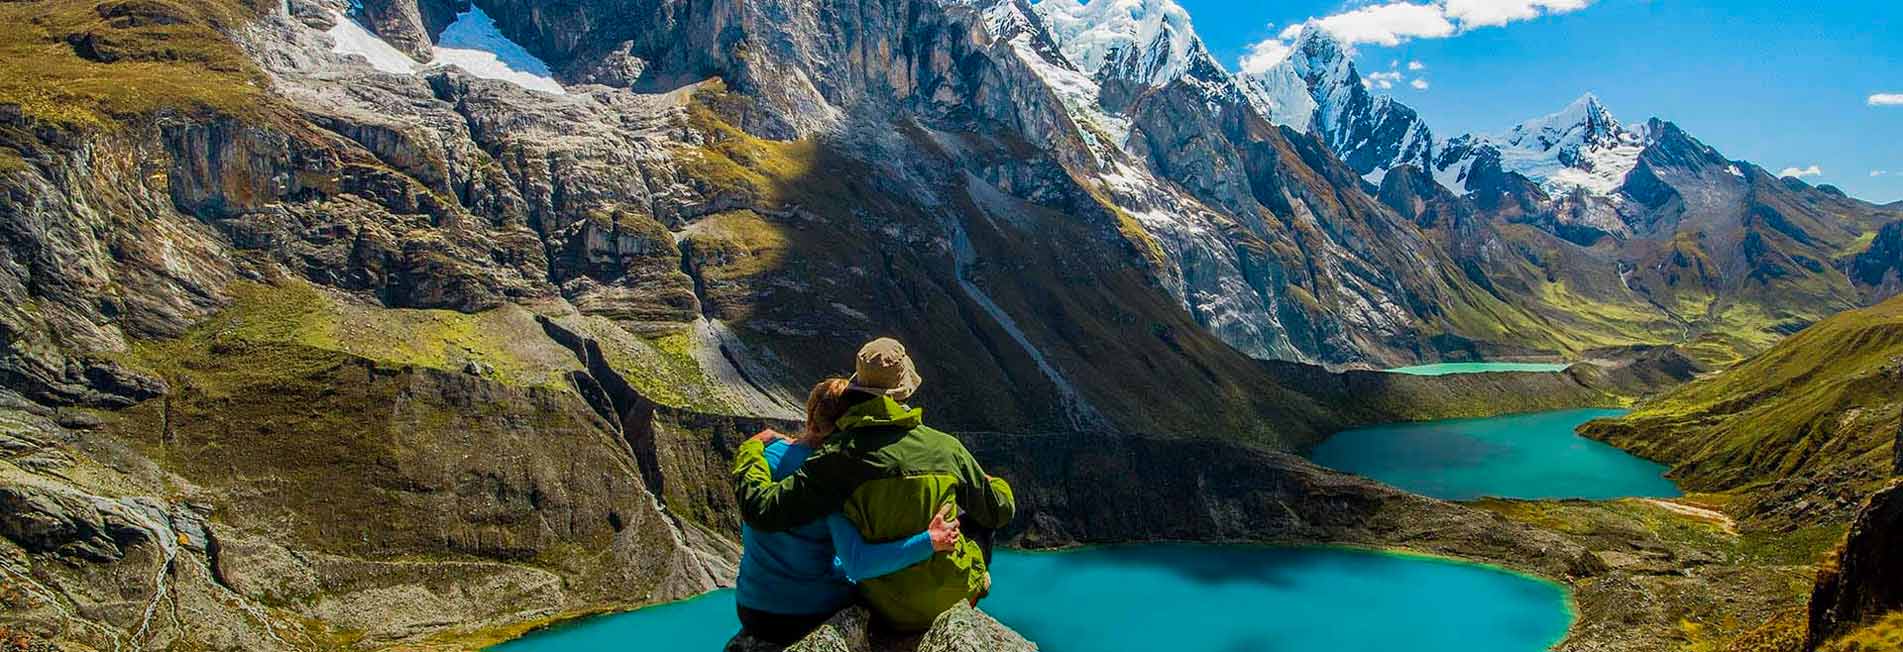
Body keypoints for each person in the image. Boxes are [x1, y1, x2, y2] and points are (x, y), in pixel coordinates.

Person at [733, 338, 1016, 633]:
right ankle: (974, 584)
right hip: (939, 592)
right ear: (905, 387)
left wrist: (751, 449)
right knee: (980, 520)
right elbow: (999, 510)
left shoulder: (836, 458)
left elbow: (763, 509)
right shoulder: (947, 447)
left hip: (875, 603)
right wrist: (991, 485)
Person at [735, 378, 963, 645]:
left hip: (751, 609)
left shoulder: (768, 453)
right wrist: (929, 540)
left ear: (811, 414)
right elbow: (858, 562)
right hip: (805, 613)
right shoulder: (833, 475)